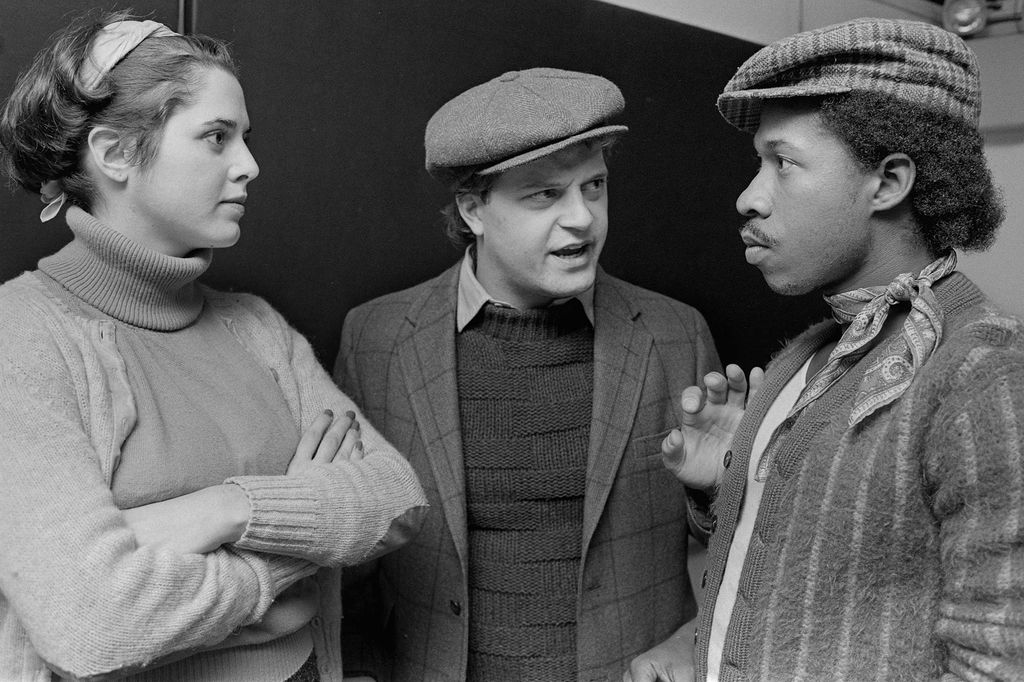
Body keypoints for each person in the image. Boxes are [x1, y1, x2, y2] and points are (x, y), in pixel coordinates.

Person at [0, 11, 426, 682]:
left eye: (245, 138)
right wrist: (297, 553)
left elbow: (394, 498)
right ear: (115, 154)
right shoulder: (20, 336)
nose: (249, 166)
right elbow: (90, 620)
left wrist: (226, 510)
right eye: (216, 137)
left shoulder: (255, 326)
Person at [660, 17, 1024, 681]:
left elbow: (999, 657)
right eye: (757, 164)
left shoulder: (982, 371)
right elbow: (807, 575)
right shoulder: (802, 357)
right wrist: (731, 487)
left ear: (887, 182)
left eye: (783, 163)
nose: (749, 197)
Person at [334, 67, 720, 681]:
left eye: (594, 186)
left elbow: (734, 542)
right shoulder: (376, 338)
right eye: (545, 194)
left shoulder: (676, 332)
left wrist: (716, 488)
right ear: (473, 209)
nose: (583, 219)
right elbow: (346, 553)